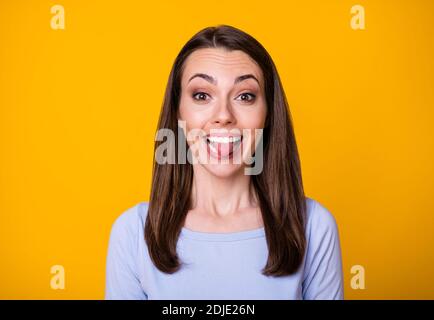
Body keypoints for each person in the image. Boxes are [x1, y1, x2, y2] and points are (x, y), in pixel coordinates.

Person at [105, 25, 344, 300]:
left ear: (268, 115)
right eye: (201, 95)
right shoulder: (133, 232)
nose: (223, 115)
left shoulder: (313, 225)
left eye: (245, 96)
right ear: (177, 113)